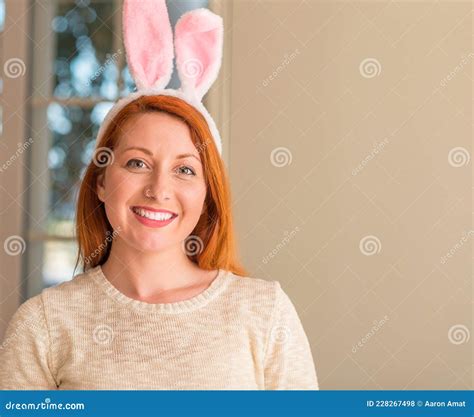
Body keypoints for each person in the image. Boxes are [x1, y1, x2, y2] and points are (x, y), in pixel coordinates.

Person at [0, 0, 319, 390]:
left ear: (207, 195)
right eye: (137, 163)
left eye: (185, 170)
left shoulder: (265, 312)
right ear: (101, 181)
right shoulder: (44, 323)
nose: (158, 189)